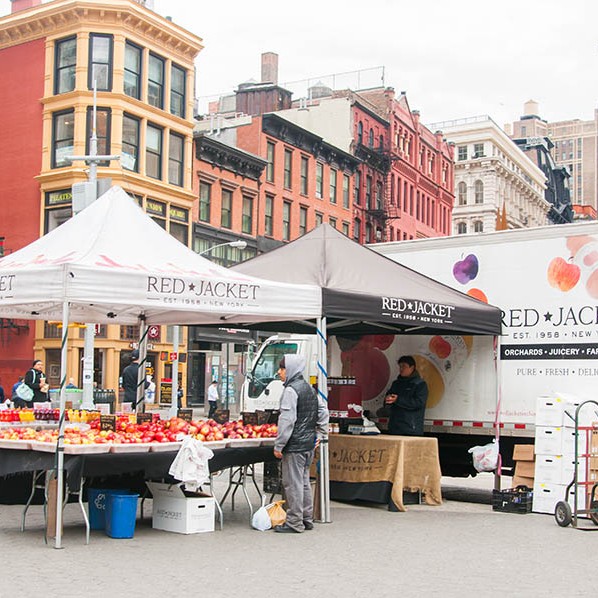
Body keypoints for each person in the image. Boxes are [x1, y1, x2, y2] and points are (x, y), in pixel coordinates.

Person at [273, 354, 329, 533]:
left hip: (295, 445)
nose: (279, 372)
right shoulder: (309, 389)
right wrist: (320, 433)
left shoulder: (291, 390)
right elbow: (323, 411)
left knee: (293, 483)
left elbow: (287, 420)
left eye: (282, 369)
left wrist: (279, 445)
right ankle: (306, 518)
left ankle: (294, 522)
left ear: (290, 370)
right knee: (304, 481)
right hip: (308, 444)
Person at [383, 355, 428, 437]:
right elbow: (388, 399)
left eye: (404, 366)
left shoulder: (420, 384)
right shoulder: (396, 383)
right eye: (400, 366)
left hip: (411, 429)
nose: (401, 369)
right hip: (395, 428)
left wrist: (398, 400)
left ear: (412, 368)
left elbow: (418, 403)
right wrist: (387, 400)